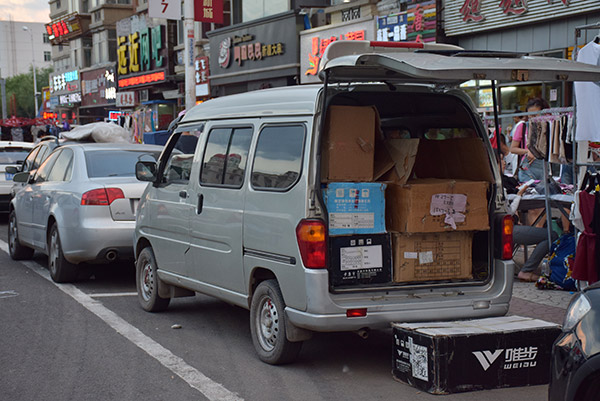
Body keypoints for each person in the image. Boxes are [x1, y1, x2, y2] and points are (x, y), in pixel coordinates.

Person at [510, 97, 549, 182]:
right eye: (529, 115)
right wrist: (528, 151)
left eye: (535, 115)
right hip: (527, 168)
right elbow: (513, 149)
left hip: (545, 166)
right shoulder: (523, 127)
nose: (532, 118)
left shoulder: (549, 126)